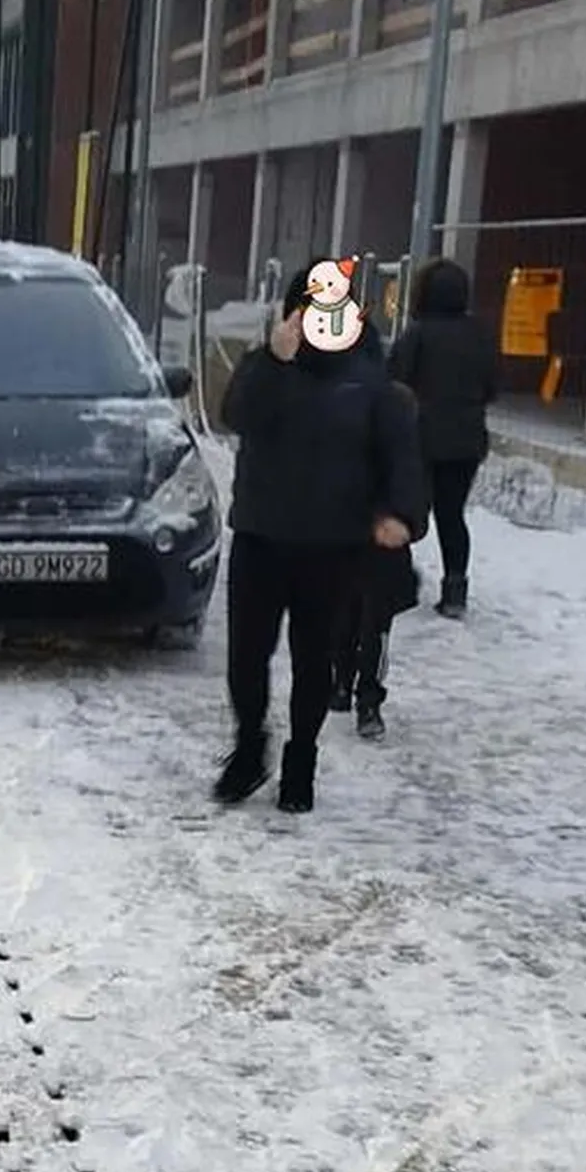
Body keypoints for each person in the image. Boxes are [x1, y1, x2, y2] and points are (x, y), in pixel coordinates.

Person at [216, 267, 426, 815]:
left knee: (316, 659)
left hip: (333, 544)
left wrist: (398, 514)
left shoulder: (369, 378)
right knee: (246, 657)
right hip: (261, 535)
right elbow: (236, 414)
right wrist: (273, 359)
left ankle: (301, 762)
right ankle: (248, 746)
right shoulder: (267, 366)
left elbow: (399, 455)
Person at [389, 256, 499, 619]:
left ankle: (400, 580)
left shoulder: (418, 334)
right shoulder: (481, 334)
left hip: (420, 439)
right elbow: (493, 387)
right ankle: (455, 591)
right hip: (467, 440)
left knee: (404, 510)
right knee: (452, 516)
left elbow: (395, 381)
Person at [331, 381, 424, 740]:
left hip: (381, 540)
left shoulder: (401, 435)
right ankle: (345, 683)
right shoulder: (342, 427)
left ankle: (366, 696)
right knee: (345, 615)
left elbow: (412, 486)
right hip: (349, 536)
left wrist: (403, 521)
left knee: (372, 622)